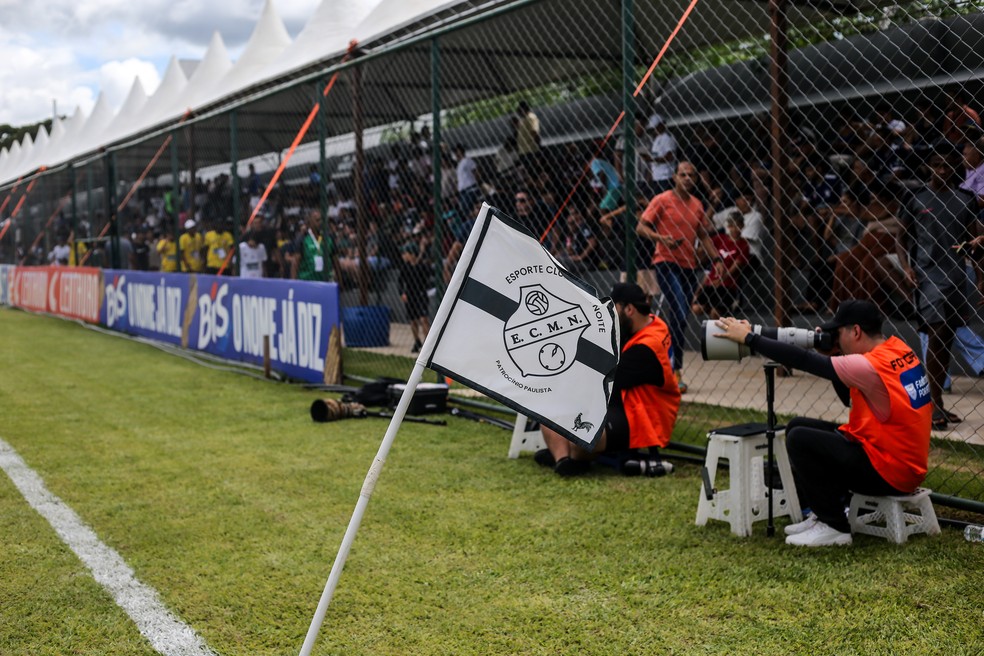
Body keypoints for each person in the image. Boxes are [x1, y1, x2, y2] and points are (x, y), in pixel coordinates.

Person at [713, 300, 932, 547]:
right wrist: (837, 353)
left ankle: (834, 526)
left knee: (800, 440)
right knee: (797, 426)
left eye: (838, 333)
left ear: (856, 331)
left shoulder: (869, 364)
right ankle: (824, 512)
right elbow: (846, 397)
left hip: (891, 472)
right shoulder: (897, 348)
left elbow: (804, 361)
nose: (834, 338)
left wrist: (751, 339)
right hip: (896, 459)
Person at [536, 283, 681, 476]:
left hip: (642, 414)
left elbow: (604, 380)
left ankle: (569, 454)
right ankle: (564, 459)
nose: (609, 314)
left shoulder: (647, 347)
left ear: (629, 310)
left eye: (614, 308)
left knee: (580, 432)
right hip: (623, 402)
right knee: (549, 408)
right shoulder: (650, 323)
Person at [897, 151, 980, 429]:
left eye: (947, 164)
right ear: (929, 166)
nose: (942, 170)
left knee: (944, 337)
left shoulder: (964, 200)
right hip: (927, 276)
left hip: (956, 276)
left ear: (955, 165)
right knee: (937, 330)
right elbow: (901, 235)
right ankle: (932, 404)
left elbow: (975, 242)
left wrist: (981, 278)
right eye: (936, 164)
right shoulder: (917, 198)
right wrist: (906, 266)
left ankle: (937, 403)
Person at [637, 160, 724, 393]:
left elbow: (704, 235)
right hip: (665, 261)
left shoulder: (697, 204)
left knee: (681, 316)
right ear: (674, 177)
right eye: (683, 175)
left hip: (688, 265)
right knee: (680, 309)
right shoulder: (662, 200)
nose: (687, 178)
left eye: (691, 175)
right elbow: (641, 227)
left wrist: (716, 259)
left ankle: (663, 357)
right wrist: (660, 238)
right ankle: (674, 371)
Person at [691, 213, 749, 319]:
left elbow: (735, 267)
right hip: (711, 281)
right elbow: (706, 243)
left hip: (727, 284)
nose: (734, 229)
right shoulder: (720, 239)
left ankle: (724, 308)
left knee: (715, 313)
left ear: (742, 226)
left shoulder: (743, 245)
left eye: (737, 226)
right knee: (696, 308)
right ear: (728, 227)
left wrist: (720, 280)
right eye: (732, 226)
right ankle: (713, 306)